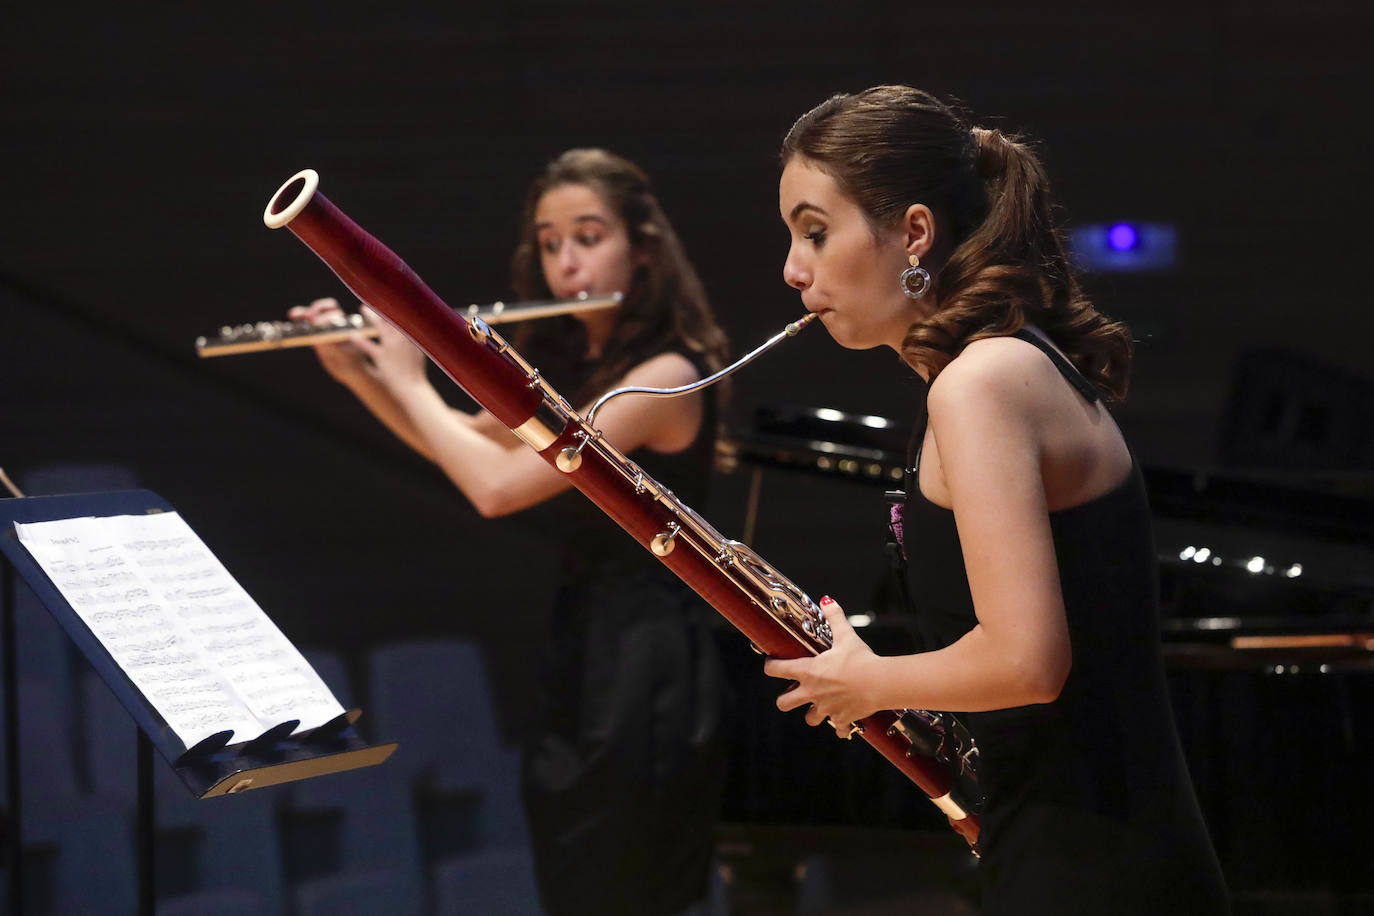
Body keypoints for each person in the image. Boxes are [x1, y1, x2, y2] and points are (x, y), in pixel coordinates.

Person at [763, 86, 1230, 914]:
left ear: (913, 232)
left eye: (815, 231)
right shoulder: (986, 370)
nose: (794, 269)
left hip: (1095, 874)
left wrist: (864, 683)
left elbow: (1027, 662)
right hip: (1075, 856)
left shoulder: (981, 383)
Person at [291, 148, 731, 915]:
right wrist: (360, 376)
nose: (567, 262)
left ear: (644, 247)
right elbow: (464, 440)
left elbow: (494, 491)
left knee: (624, 887)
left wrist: (405, 374)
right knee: (574, 880)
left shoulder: (663, 376)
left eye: (588, 236)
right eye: (551, 242)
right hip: (588, 642)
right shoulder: (585, 370)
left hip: (651, 662)